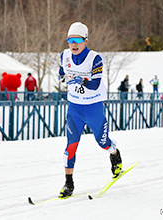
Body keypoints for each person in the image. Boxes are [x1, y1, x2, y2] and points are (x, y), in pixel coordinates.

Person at [58, 22, 122, 198]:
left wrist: (80, 80)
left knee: (102, 142)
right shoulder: (64, 55)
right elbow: (61, 73)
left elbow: (94, 84)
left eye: (78, 40)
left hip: (93, 108)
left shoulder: (95, 58)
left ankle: (114, 154)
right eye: (70, 40)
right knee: (71, 145)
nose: (74, 44)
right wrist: (63, 77)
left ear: (86, 41)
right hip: (75, 108)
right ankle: (68, 183)